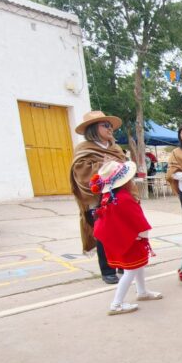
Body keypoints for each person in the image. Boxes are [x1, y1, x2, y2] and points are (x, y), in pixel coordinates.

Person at [92, 161, 163, 315]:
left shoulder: (109, 196)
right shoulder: (124, 198)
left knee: (137, 266)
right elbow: (138, 220)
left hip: (121, 238)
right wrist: (143, 235)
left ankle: (142, 291)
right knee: (130, 271)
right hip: (131, 239)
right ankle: (116, 304)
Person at [70, 110, 128, 285]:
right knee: (103, 234)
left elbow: (125, 167)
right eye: (105, 125)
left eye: (110, 126)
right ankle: (107, 269)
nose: (110, 129)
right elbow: (81, 173)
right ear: (93, 128)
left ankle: (122, 264)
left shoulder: (115, 148)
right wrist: (102, 166)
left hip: (119, 195)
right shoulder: (84, 149)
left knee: (122, 232)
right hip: (97, 199)